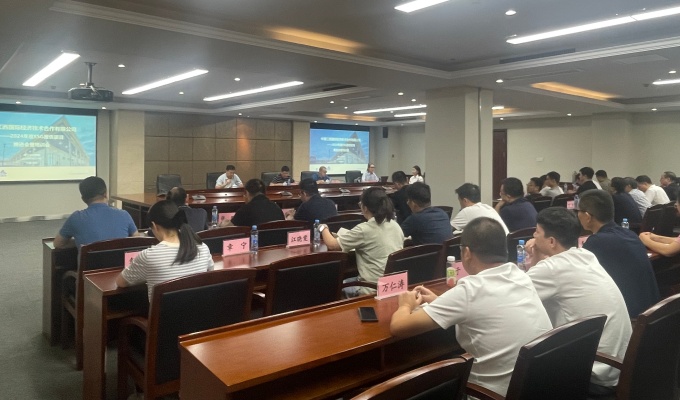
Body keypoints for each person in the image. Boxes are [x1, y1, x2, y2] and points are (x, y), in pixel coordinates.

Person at [390, 218, 552, 396]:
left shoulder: (470, 290)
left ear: (466, 252)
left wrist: (405, 304)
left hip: (487, 394)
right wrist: (441, 301)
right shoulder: (519, 275)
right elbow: (482, 307)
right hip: (533, 389)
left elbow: (399, 327)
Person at [525, 207, 632, 394]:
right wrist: (539, 257)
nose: (533, 236)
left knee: (523, 369)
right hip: (620, 364)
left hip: (595, 372)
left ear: (551, 241)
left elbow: (516, 294)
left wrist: (534, 258)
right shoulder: (586, 255)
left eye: (537, 232)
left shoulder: (552, 269)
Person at [577, 189, 659, 317]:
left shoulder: (596, 242)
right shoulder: (630, 234)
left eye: (578, 211)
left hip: (630, 318)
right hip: (650, 313)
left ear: (587, 216)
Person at [116, 200, 213, 301]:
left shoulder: (150, 256)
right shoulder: (203, 248)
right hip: (198, 310)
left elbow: (121, 282)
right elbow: (210, 270)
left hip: (164, 312)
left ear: (154, 226)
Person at [319, 187, 404, 297]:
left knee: (336, 285)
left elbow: (333, 245)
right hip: (393, 286)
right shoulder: (395, 225)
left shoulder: (364, 229)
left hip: (371, 288)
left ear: (365, 208)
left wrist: (323, 228)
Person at [54, 176, 139, 248]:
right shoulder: (124, 214)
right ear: (105, 194)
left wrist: (79, 242)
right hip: (120, 263)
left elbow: (57, 244)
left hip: (90, 263)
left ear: (83, 199)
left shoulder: (76, 218)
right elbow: (137, 240)